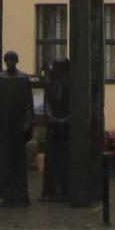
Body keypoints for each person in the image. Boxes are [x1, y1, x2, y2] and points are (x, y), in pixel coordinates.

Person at [0, 50, 35, 207]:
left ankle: (21, 196)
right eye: (7, 60)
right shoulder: (0, 78)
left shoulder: (23, 78)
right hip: (5, 126)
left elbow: (29, 104)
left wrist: (26, 123)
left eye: (11, 60)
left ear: (16, 61)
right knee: (6, 163)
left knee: (19, 163)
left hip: (18, 127)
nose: (9, 63)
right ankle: (7, 196)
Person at [41, 58, 71, 200]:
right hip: (53, 129)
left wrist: (65, 121)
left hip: (66, 131)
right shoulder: (50, 86)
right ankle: (50, 189)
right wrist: (53, 120)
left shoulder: (72, 86)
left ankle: (65, 188)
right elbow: (47, 106)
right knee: (52, 162)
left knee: (65, 161)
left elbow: (75, 106)